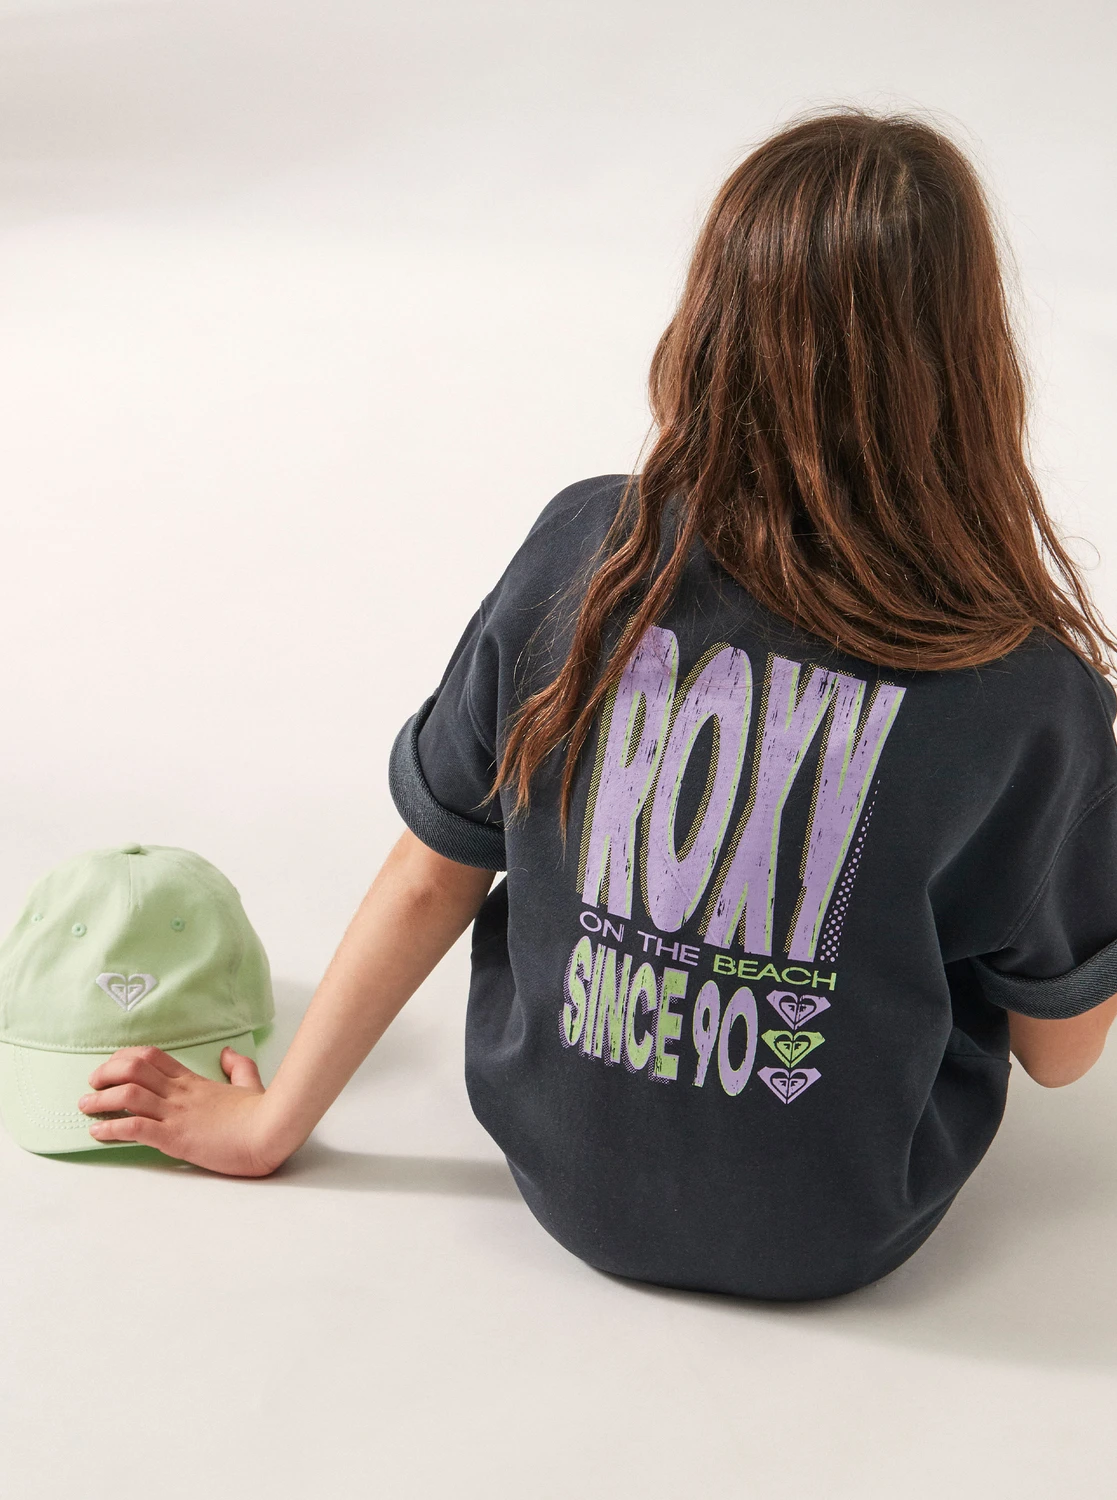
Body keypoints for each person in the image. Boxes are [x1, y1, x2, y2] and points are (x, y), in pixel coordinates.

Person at [77, 107, 1117, 1301]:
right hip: (840, 1232)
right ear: (973, 365)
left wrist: (268, 1130)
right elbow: (1059, 1057)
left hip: (563, 1183)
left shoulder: (588, 552)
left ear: (710, 325)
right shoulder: (1030, 694)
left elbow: (430, 874)